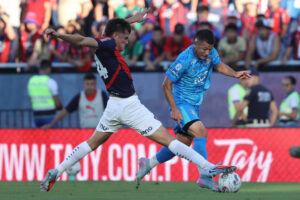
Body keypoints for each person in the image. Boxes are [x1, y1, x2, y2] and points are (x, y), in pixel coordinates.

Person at [40, 10, 236, 192]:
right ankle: (207, 167)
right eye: (125, 38)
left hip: (114, 104)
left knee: (91, 143)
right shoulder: (107, 44)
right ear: (116, 37)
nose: (128, 41)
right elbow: (82, 40)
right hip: (128, 105)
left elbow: (111, 28)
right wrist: (59, 35)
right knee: (169, 140)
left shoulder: (105, 40)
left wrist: (133, 20)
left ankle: (57, 171)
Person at [135, 29, 250, 192]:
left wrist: (235, 74)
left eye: (210, 49)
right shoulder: (184, 59)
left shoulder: (211, 53)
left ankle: (148, 163)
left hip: (195, 104)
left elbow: (220, 66)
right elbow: (166, 84)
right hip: (182, 103)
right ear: (195, 44)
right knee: (201, 131)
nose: (207, 52)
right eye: (204, 49)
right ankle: (205, 176)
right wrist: (174, 109)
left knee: (182, 143)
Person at [41, 73, 108, 129]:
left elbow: (111, 111)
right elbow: (65, 111)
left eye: (92, 84)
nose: (90, 86)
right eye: (87, 84)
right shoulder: (79, 97)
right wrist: (51, 124)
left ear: (95, 85)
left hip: (99, 132)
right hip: (84, 132)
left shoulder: (102, 95)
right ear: (84, 85)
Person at [27, 60, 62, 128]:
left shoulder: (31, 81)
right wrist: (61, 108)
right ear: (49, 69)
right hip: (50, 116)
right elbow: (57, 103)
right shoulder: (50, 81)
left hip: (36, 116)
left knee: (39, 137)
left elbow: (31, 99)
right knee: (55, 137)